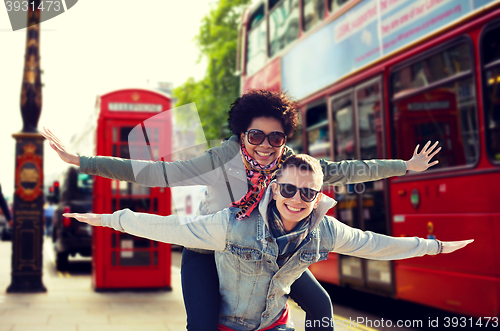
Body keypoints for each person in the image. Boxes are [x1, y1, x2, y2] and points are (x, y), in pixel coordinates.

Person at [42, 89, 441, 331]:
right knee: (202, 324)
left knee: (320, 305)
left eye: (276, 137)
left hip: (264, 250)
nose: (266, 145)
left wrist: (405, 166)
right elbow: (160, 173)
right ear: (241, 134)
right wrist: (82, 161)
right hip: (210, 248)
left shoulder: (293, 166)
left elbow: (346, 170)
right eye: (255, 135)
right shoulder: (223, 158)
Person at [64, 154, 473, 331]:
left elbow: (374, 243)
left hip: (274, 323)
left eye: (308, 194)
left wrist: (432, 245)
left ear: (319, 195)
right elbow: (169, 226)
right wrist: (106, 219)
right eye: (290, 191)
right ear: (274, 188)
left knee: (322, 306)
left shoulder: (323, 228)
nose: (298, 200)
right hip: (226, 319)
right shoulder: (232, 222)